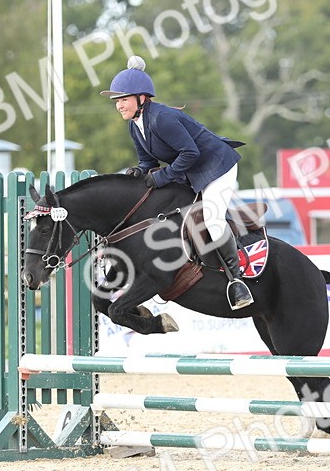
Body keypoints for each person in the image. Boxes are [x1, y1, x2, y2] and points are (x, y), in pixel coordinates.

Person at [101, 55, 253, 310]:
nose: (119, 105)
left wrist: (161, 176)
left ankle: (237, 281)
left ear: (142, 98)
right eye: (117, 101)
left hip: (217, 167)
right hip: (190, 171)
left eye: (123, 99)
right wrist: (139, 173)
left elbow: (190, 153)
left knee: (213, 220)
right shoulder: (135, 125)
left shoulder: (163, 118)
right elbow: (147, 161)